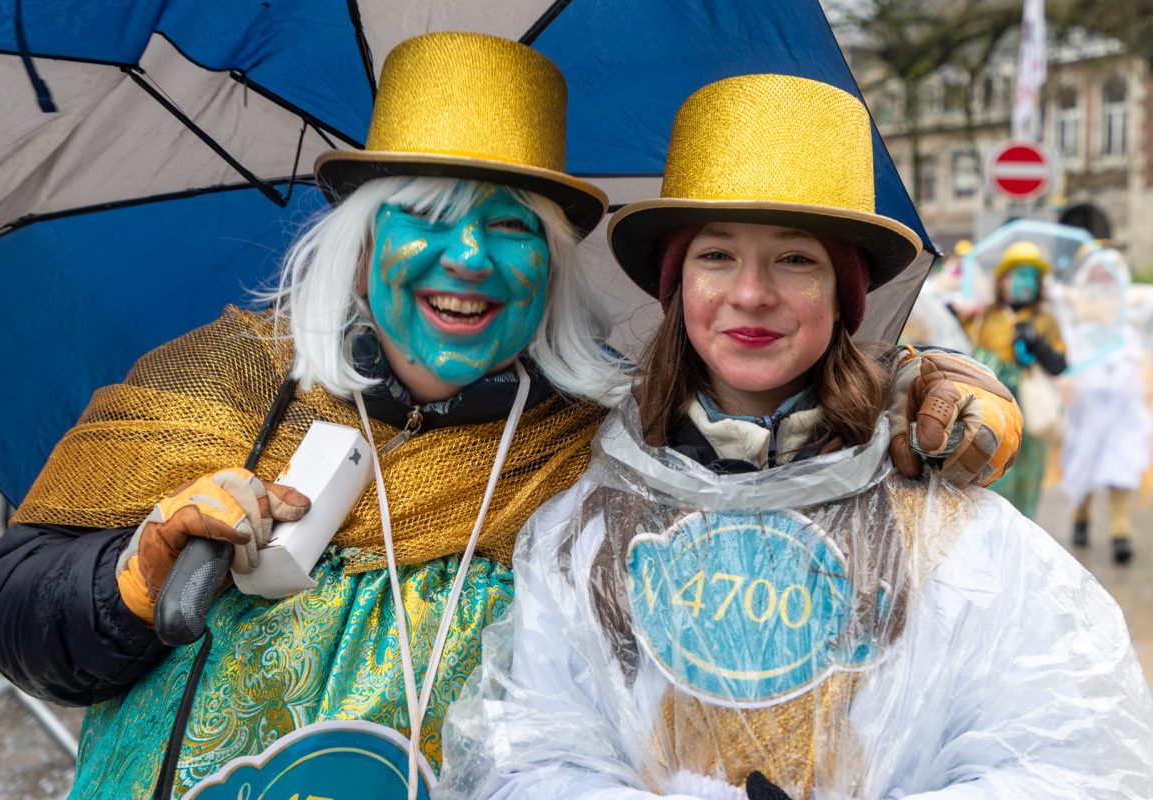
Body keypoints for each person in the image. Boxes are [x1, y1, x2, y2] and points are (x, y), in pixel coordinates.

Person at [0, 38, 1020, 799]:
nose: (467, 258)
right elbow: (11, 600)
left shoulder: (613, 438)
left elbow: (775, 438)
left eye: (509, 227)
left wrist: (910, 391)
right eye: (425, 217)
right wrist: (133, 577)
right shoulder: (221, 381)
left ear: (552, 269)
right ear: (362, 241)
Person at [438, 74, 1153, 800]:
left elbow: (1071, 756)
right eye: (715, 256)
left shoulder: (950, 528)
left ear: (844, 295)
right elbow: (529, 755)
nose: (751, 293)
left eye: (796, 260)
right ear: (676, 284)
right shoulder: (586, 522)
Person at [1056, 246, 1150, 563]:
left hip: (1124, 401)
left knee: (1121, 463)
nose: (1102, 276)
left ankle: (1120, 532)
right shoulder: (1074, 305)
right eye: (1097, 270)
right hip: (1087, 403)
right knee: (1086, 461)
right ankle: (1081, 517)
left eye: (1108, 271)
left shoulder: (1133, 305)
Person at [963, 240, 1067, 519]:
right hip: (990, 409)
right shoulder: (983, 316)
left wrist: (1037, 344)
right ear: (1003, 280)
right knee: (987, 470)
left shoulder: (1045, 320)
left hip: (1028, 414)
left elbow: (1060, 365)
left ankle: (1022, 529)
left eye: (1032, 277)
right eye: (1020, 275)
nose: (1027, 283)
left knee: (1028, 475)